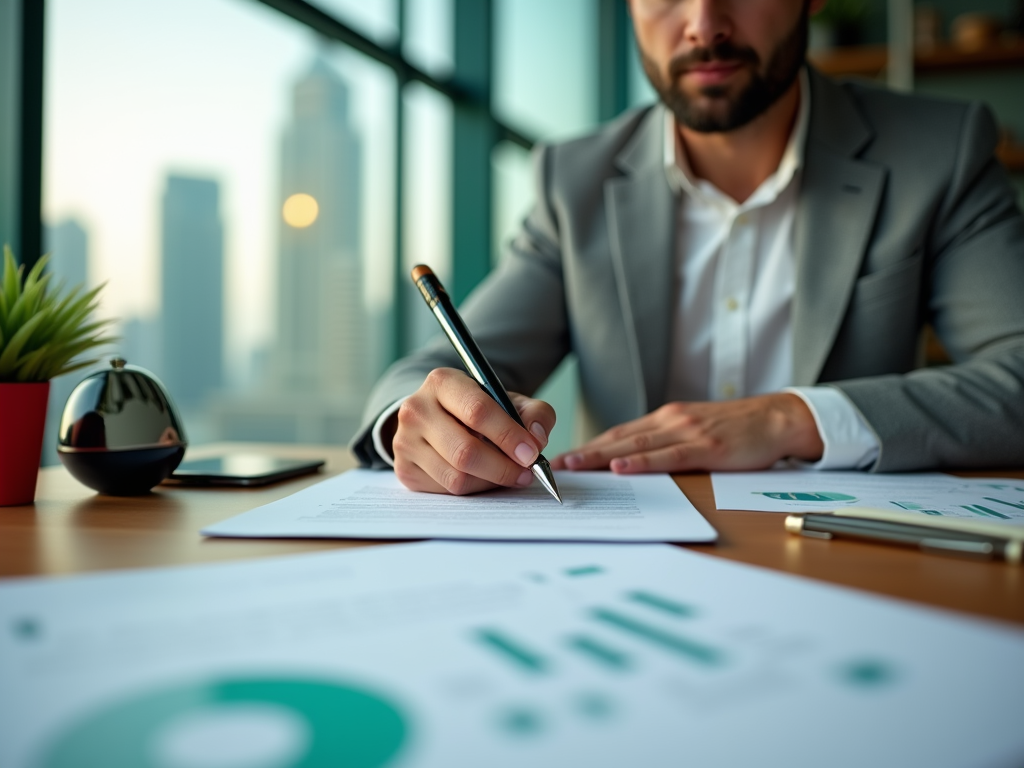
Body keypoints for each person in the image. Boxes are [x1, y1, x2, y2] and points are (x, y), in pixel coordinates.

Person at [351, 0, 1024, 496]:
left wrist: (792, 418)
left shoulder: (940, 150)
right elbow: (435, 369)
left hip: (847, 554)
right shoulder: (574, 180)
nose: (704, 23)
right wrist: (420, 424)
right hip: (630, 563)